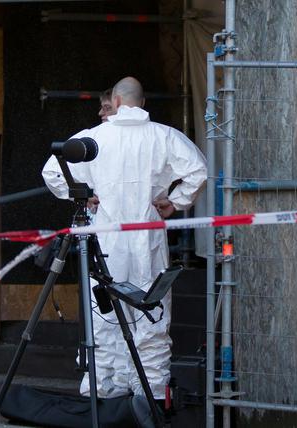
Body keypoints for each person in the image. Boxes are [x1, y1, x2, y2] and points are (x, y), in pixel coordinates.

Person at [41, 77, 207, 401]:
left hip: (106, 241)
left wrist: (83, 196)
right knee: (151, 317)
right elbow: (198, 169)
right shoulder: (164, 137)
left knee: (104, 317)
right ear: (142, 104)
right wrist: (176, 201)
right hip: (148, 238)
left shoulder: (95, 138)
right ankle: (152, 397)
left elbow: (52, 170)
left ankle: (101, 392)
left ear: (115, 102)